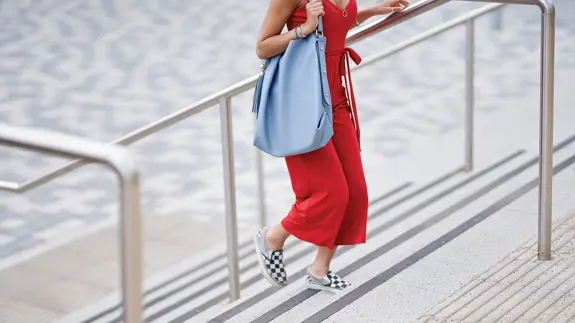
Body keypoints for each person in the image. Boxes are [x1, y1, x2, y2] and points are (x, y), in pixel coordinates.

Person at [253, 0, 409, 292]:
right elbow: (262, 47)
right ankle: (273, 238)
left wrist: (372, 11)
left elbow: (337, 25)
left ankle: (319, 269)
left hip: (335, 102)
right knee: (331, 193)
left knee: (356, 193)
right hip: (304, 105)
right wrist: (303, 30)